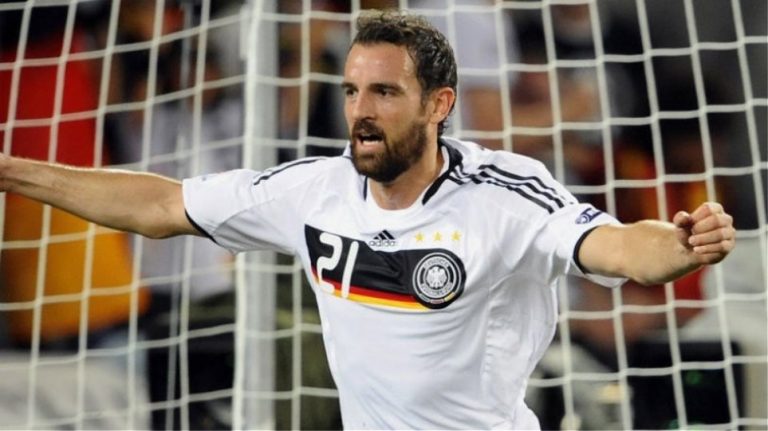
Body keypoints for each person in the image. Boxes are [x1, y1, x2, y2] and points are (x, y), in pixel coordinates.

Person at [0, 10, 736, 430]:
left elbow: (615, 247)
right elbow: (163, 205)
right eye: (353, 90)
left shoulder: (504, 193)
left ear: (439, 105)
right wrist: (13, 171)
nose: (361, 110)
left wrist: (679, 246)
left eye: (385, 92)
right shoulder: (315, 191)